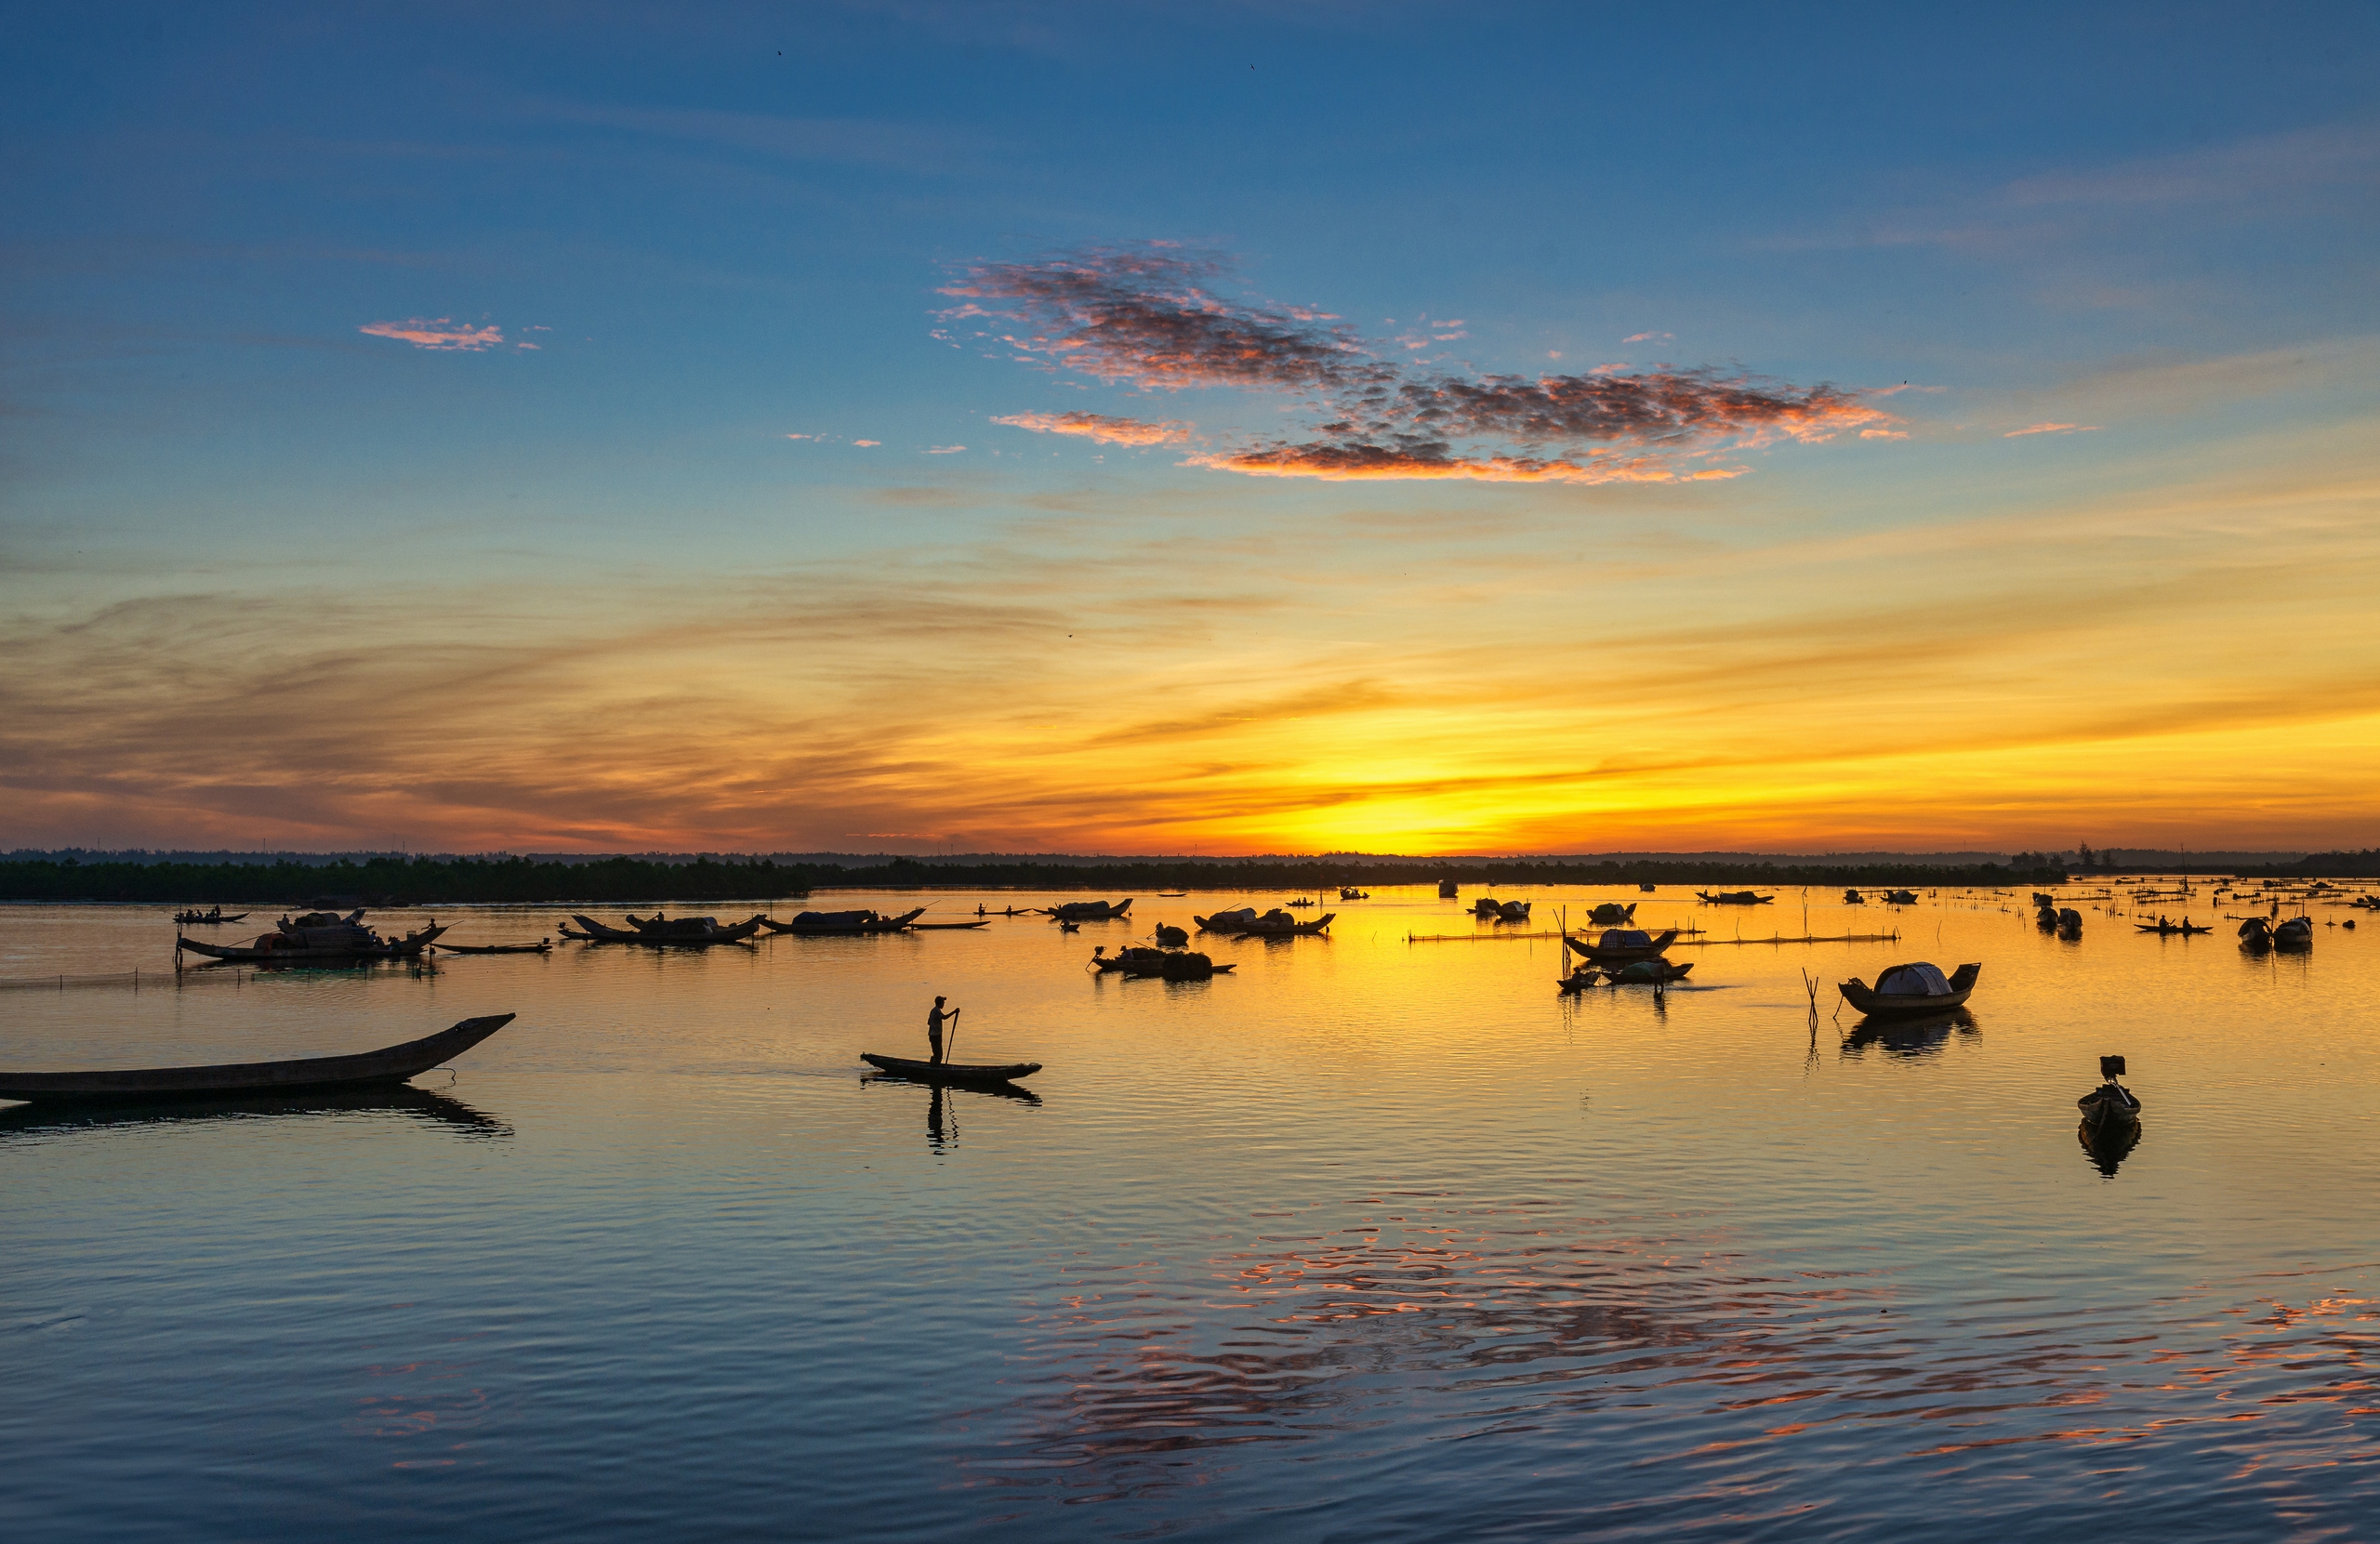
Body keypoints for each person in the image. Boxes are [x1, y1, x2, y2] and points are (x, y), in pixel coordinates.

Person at [926, 996, 959, 1064]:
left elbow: (929, 1022)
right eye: (943, 1002)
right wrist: (954, 1012)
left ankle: (933, 1066)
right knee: (939, 1055)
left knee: (936, 1053)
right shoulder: (937, 1011)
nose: (944, 1004)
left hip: (933, 1035)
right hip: (936, 1036)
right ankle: (935, 1068)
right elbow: (944, 1017)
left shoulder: (933, 1011)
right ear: (940, 1003)